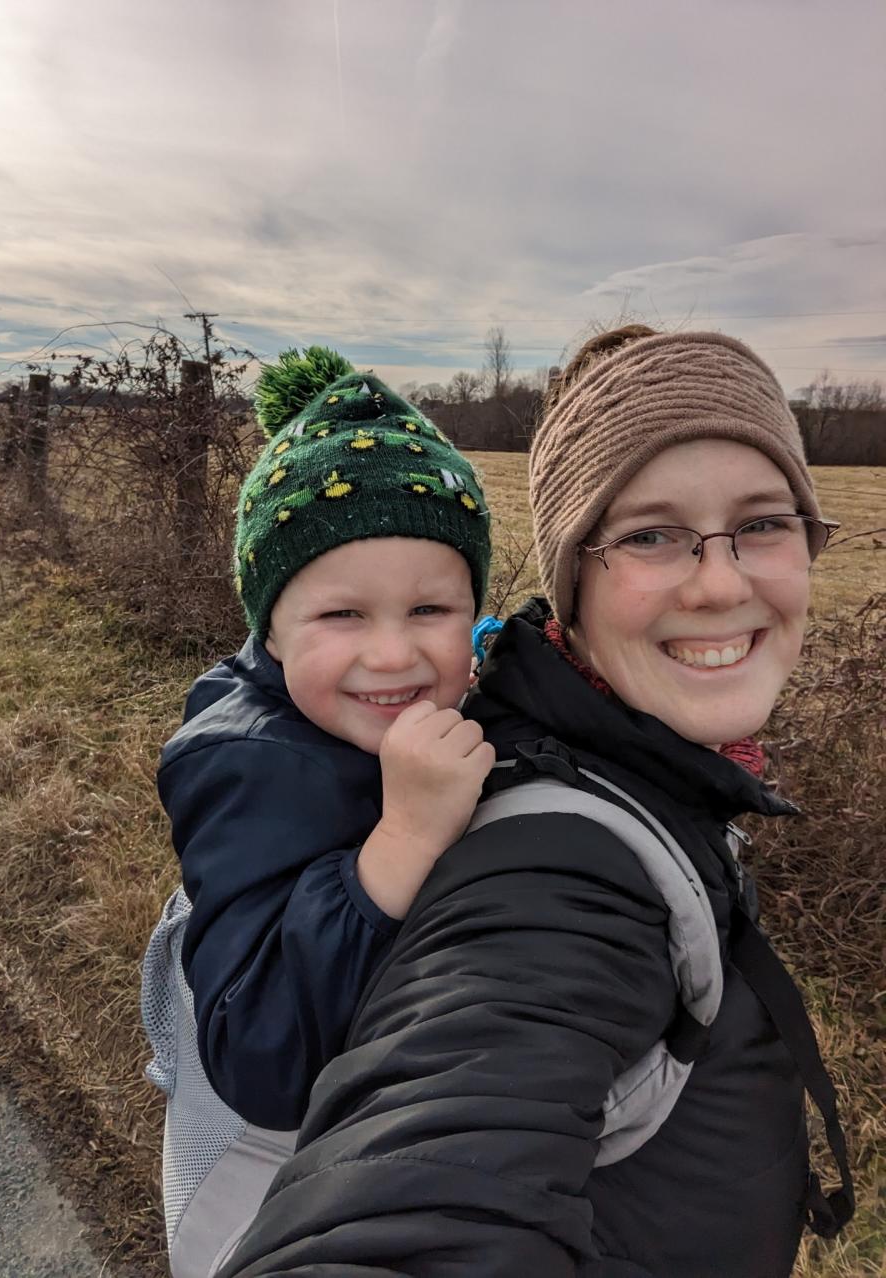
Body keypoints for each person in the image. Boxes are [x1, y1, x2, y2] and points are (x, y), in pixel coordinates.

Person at [213, 328, 853, 1278]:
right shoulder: (551, 870)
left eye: (763, 522)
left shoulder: (643, 770)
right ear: (570, 591)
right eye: (649, 534)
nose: (721, 582)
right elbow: (426, 1185)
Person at [140, 347, 493, 1278]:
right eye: (342, 616)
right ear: (269, 624)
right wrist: (406, 837)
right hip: (263, 1191)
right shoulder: (254, 766)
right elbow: (259, 1057)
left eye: (431, 608)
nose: (393, 655)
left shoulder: (343, 712)